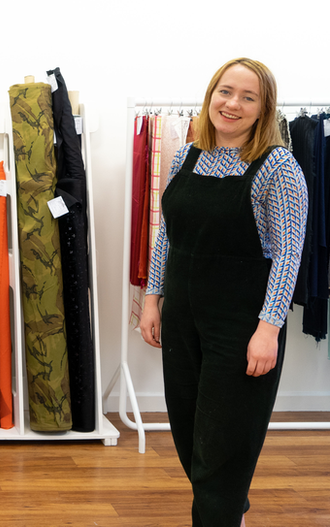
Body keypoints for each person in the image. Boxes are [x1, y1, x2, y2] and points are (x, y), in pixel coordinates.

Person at [139, 58, 308, 527]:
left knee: (224, 445)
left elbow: (289, 256)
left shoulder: (279, 168)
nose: (232, 104)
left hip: (239, 328)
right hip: (182, 319)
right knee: (190, 436)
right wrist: (153, 299)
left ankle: (221, 516)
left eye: (247, 97)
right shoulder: (186, 155)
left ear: (263, 108)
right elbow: (166, 235)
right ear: (211, 94)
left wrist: (268, 330)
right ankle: (229, 512)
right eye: (225, 91)